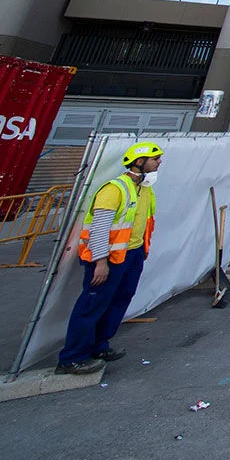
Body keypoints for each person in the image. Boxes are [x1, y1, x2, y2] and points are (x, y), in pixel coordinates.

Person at [57, 142, 163, 374]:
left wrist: (141, 253)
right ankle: (72, 358)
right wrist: (100, 262)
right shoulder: (114, 189)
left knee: (119, 301)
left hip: (132, 255)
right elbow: (99, 227)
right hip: (108, 258)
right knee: (92, 304)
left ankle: (99, 345)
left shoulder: (144, 190)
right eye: (155, 159)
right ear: (138, 162)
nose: (159, 163)